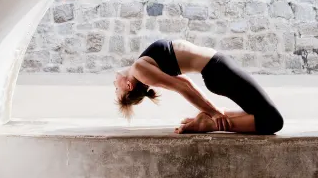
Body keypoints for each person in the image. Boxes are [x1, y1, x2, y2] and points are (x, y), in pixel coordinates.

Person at [114, 39, 284, 134]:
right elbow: (182, 88)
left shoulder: (144, 65)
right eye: (116, 89)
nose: (114, 84)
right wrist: (214, 113)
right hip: (218, 70)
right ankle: (210, 124)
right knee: (272, 121)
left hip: (217, 69)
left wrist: (214, 110)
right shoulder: (139, 69)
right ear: (128, 85)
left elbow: (185, 83)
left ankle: (211, 120)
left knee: (260, 115)